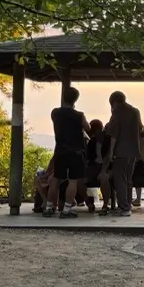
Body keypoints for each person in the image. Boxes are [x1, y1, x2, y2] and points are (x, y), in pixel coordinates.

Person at [48, 87, 90, 218]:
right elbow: (87, 128)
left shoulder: (55, 113)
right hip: (76, 152)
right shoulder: (79, 115)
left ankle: (49, 207)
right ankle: (66, 209)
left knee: (56, 179)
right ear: (76, 99)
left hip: (60, 150)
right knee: (73, 181)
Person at [103, 90, 142, 217]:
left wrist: (111, 152)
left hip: (120, 151)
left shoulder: (117, 112)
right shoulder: (135, 111)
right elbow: (141, 128)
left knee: (120, 180)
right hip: (134, 151)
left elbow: (113, 134)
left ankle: (124, 207)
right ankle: (128, 204)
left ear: (113, 102)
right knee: (128, 180)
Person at [82, 119, 105, 212]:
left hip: (93, 168)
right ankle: (106, 203)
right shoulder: (103, 141)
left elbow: (89, 158)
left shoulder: (91, 142)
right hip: (99, 168)